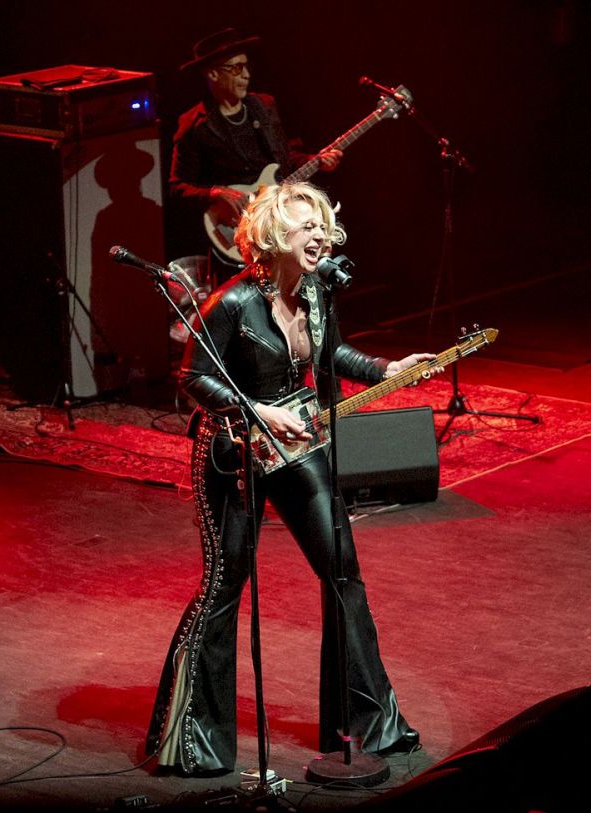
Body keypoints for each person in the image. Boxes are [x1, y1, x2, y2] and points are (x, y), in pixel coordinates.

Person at [145, 181, 440, 777]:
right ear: (274, 236)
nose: (320, 237)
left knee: (343, 571)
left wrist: (385, 367)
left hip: (297, 445)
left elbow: (333, 355)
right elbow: (193, 379)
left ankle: (367, 726)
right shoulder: (231, 303)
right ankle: (194, 738)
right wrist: (254, 411)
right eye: (307, 227)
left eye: (324, 227)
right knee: (224, 586)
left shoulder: (317, 293)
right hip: (233, 453)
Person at [167, 27, 342, 283]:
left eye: (246, 66)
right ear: (213, 73)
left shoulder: (264, 106)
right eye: (236, 68)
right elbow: (177, 186)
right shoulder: (194, 125)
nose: (246, 75)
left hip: (281, 221)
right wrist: (215, 193)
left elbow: (285, 158)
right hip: (237, 232)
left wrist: (315, 161)